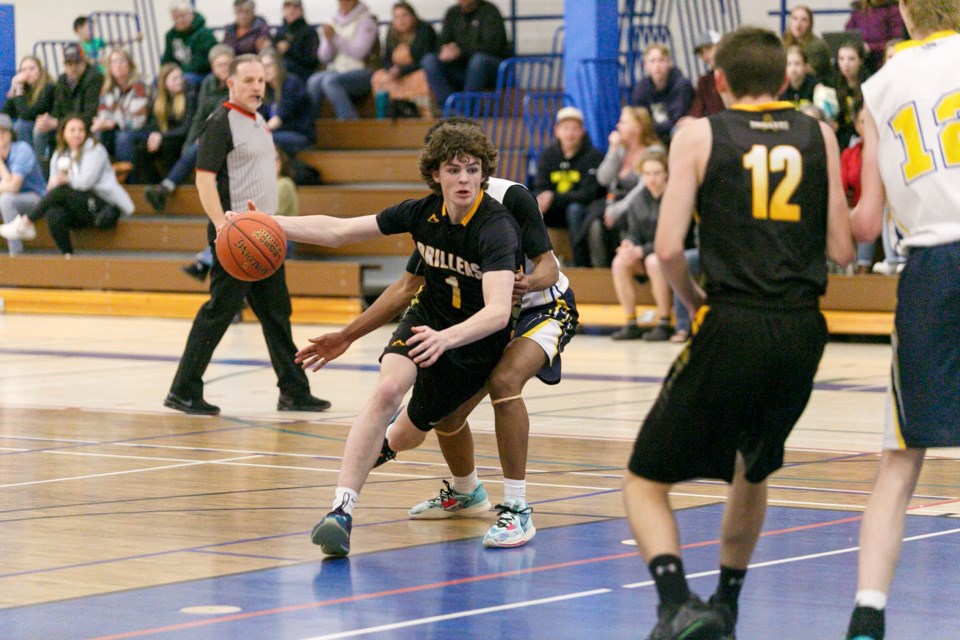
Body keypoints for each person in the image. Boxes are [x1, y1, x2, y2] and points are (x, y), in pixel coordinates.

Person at [622, 26, 853, 639]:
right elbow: (843, 248)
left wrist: (697, 301)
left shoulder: (697, 132)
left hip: (732, 319)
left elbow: (669, 249)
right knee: (753, 467)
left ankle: (675, 605)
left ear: (718, 81)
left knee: (645, 481)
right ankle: (726, 604)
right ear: (785, 80)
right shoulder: (820, 133)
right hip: (803, 327)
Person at [298, 118, 574, 548]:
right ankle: (466, 492)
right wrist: (349, 333)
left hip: (540, 307)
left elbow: (550, 267)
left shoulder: (509, 204)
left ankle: (517, 509)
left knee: (504, 381)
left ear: (483, 168)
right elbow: (405, 283)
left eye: (470, 168)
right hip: (481, 313)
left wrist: (527, 283)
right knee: (448, 415)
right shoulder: (435, 212)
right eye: (452, 168)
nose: (462, 177)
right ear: (436, 172)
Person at [844, 3, 960, 638]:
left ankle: (867, 616)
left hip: (932, 267)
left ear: (906, 13)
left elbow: (864, 227)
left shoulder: (880, 85)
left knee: (899, 460)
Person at [163, 54, 330, 416]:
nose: (257, 87)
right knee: (218, 312)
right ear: (231, 84)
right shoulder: (220, 123)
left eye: (261, 80)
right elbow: (203, 178)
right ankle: (183, 389)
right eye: (249, 80)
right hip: (237, 239)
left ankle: (293, 390)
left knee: (276, 313)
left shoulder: (258, 122)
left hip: (264, 237)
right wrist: (222, 227)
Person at [0, 115, 135, 255]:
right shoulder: (59, 154)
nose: (77, 133)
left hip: (101, 203)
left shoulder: (95, 150)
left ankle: (26, 222)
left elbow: (85, 183)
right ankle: (67, 255)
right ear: (63, 133)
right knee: (54, 213)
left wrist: (65, 180)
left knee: (62, 190)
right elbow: (52, 187)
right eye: (72, 130)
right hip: (79, 206)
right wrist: (54, 183)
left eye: (80, 130)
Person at [606, 149, 689, 342]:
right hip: (645, 253)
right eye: (647, 174)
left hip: (676, 255)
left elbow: (674, 238)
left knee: (653, 261)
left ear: (666, 173)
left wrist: (641, 250)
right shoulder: (638, 199)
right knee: (619, 262)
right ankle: (631, 322)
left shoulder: (675, 197)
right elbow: (633, 233)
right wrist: (628, 245)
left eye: (657, 173)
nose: (652, 178)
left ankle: (664, 322)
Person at [144, 44, 234, 217]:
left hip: (231, 132)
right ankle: (164, 188)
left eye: (226, 64)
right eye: (218, 65)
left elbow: (226, 114)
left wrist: (206, 135)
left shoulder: (236, 84)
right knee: (190, 147)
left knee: (201, 146)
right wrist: (190, 141)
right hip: (211, 133)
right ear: (213, 67)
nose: (223, 68)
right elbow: (200, 116)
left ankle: (165, 188)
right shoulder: (208, 83)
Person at [584, 106, 664, 268]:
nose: (618, 126)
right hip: (614, 201)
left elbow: (642, 189)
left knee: (613, 220)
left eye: (623, 122)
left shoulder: (653, 151)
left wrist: (617, 209)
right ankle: (598, 271)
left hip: (640, 204)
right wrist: (613, 150)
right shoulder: (620, 149)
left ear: (638, 127)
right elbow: (603, 179)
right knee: (594, 222)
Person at [533, 106, 604, 267]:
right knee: (529, 207)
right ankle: (533, 265)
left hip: (583, 210)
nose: (570, 133)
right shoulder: (548, 156)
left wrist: (554, 197)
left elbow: (589, 194)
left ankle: (580, 263)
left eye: (574, 128)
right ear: (557, 131)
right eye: (565, 128)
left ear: (582, 131)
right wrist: (541, 198)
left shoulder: (593, 156)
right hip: (555, 209)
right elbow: (540, 186)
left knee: (574, 210)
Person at [421, 0, 510, 110]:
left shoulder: (489, 11)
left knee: (478, 60)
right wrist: (444, 51)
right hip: (461, 69)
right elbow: (443, 42)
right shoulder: (452, 13)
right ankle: (448, 108)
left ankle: (466, 109)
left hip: (491, 70)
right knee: (429, 60)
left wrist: (461, 51)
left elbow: (494, 47)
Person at [32, 44, 104, 175]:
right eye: (69, 63)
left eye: (77, 62)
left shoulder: (94, 78)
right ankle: (43, 177)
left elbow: (90, 115)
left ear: (84, 62)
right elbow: (57, 109)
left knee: (95, 132)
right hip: (66, 124)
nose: (73, 67)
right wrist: (48, 120)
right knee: (39, 129)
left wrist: (57, 123)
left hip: (85, 125)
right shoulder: (61, 80)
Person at [306, 0, 379, 120]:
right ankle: (311, 126)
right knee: (314, 81)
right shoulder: (333, 21)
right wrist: (328, 41)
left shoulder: (366, 21)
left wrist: (335, 37)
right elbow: (324, 57)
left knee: (331, 82)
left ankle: (350, 123)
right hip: (337, 69)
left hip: (362, 71)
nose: (343, 3)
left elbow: (359, 52)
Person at [370, 1, 438, 118]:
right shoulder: (391, 33)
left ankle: (423, 114)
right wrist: (390, 69)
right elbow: (385, 57)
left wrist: (402, 70)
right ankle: (385, 114)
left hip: (416, 70)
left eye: (404, 15)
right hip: (396, 73)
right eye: (397, 17)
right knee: (378, 77)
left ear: (413, 16)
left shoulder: (425, 30)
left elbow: (424, 59)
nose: (401, 20)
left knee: (422, 77)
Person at [133, 63, 197, 186]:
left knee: (168, 146)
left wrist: (161, 137)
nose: (180, 81)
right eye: (175, 79)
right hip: (163, 137)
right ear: (164, 82)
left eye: (180, 77)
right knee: (141, 149)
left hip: (181, 139)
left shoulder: (189, 96)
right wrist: (153, 136)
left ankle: (172, 186)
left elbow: (185, 128)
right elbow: (152, 124)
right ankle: (154, 185)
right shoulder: (159, 100)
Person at [91, 48, 151, 164]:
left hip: (143, 130)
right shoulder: (108, 89)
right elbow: (103, 113)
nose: (118, 65)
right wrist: (102, 123)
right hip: (116, 129)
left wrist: (114, 123)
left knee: (122, 137)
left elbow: (138, 121)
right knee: (97, 134)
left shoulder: (140, 86)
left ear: (130, 65)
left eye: (122, 61)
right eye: (114, 62)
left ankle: (129, 179)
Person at [0, 114, 46, 256]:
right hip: (9, 198)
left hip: (36, 198)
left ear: (10, 133)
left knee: (6, 199)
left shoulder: (22, 149)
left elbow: (14, 186)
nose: (0, 135)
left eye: (3, 131)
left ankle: (16, 254)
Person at [631, 43, 693, 145]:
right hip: (654, 135)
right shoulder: (641, 88)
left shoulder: (682, 85)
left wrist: (652, 128)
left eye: (661, 60)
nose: (657, 65)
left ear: (669, 63)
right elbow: (641, 119)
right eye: (652, 61)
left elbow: (677, 119)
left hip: (677, 133)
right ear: (645, 66)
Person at [259, 48, 315, 158]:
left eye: (269, 65)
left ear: (278, 65)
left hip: (299, 135)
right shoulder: (267, 90)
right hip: (278, 134)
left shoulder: (291, 83)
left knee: (262, 139)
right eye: (262, 67)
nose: (265, 70)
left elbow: (279, 119)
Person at [2, 56, 56, 149]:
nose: (28, 73)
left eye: (32, 68)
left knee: (21, 125)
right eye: (24, 70)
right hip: (30, 127)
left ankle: (31, 161)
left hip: (46, 127)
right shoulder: (24, 88)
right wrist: (13, 88)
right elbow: (5, 113)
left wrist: (18, 89)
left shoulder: (48, 87)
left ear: (40, 70)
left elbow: (27, 115)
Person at [161, 1, 218, 88]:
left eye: (183, 16)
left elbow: (202, 62)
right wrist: (167, 73)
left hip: (202, 73)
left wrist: (178, 73)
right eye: (176, 18)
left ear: (192, 14)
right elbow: (167, 59)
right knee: (159, 79)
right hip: (180, 72)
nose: (180, 20)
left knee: (185, 80)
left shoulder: (204, 33)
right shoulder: (170, 36)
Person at [845, 0, 904, 73]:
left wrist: (871, 47)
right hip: (861, 63)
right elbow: (848, 33)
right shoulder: (859, 9)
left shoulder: (893, 9)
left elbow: (897, 41)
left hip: (882, 61)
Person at [782, 5, 834, 83]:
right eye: (794, 18)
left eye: (804, 20)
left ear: (810, 24)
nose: (798, 24)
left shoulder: (817, 46)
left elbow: (801, 73)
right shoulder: (784, 41)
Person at [681, 30, 724, 123]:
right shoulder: (705, 82)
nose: (705, 55)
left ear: (722, 47)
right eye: (701, 52)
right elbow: (697, 110)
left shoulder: (737, 75)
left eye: (709, 48)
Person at [73, 15, 143, 71]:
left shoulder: (96, 41)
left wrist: (134, 38)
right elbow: (86, 62)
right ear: (79, 29)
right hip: (91, 76)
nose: (92, 31)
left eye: (93, 28)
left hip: (103, 72)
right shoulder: (78, 46)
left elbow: (114, 41)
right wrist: (104, 61)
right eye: (89, 28)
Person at [273, 0, 319, 83]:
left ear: (301, 10)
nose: (291, 10)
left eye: (295, 6)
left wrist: (289, 49)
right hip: (280, 70)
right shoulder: (280, 31)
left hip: (302, 72)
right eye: (288, 6)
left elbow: (311, 61)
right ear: (283, 10)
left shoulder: (310, 32)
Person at [833, 41, 868, 149]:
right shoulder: (834, 84)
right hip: (843, 136)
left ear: (861, 61)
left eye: (851, 59)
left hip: (864, 134)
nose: (846, 64)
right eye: (841, 59)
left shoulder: (869, 85)